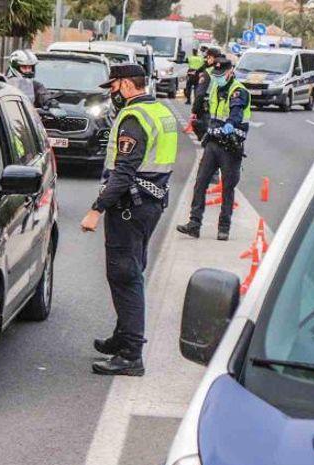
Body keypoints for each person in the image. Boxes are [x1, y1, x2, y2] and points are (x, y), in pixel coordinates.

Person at [80, 63, 177, 376]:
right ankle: (122, 338)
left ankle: (131, 354)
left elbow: (124, 172)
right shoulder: (160, 111)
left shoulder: (135, 118)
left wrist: (97, 209)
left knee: (125, 276)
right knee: (132, 270)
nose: (111, 92)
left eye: (113, 86)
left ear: (125, 84)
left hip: (130, 206)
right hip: (151, 203)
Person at [177, 57, 250, 241]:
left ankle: (223, 228)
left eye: (220, 74)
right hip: (213, 143)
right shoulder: (216, 87)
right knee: (201, 181)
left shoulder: (238, 91)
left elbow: (236, 112)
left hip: (230, 146)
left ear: (230, 72)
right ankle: (194, 224)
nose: (217, 77)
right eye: (215, 74)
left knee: (227, 187)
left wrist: (231, 125)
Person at [190, 47, 221, 140]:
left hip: (207, 106)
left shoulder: (208, 72)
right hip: (221, 108)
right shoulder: (225, 71)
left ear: (211, 58)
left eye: (208, 57)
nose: (207, 60)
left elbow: (200, 94)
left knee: (200, 127)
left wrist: (194, 110)